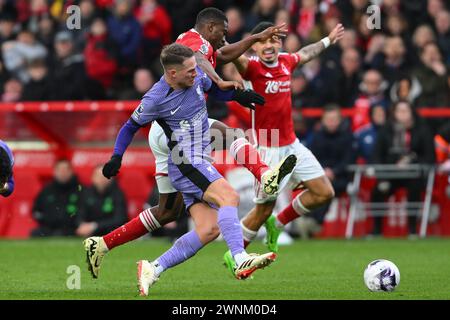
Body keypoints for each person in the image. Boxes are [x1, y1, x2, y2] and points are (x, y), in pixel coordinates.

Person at [84, 7, 294, 274]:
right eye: (223, 32)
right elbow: (202, 63)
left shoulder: (203, 51)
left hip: (177, 129)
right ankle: (262, 181)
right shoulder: (194, 45)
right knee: (230, 137)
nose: (224, 38)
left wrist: (235, 88)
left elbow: (220, 57)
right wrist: (117, 156)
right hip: (175, 131)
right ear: (210, 28)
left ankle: (103, 245)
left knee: (168, 212)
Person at [221, 21, 344, 271]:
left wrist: (328, 40)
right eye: (264, 41)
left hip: (292, 144)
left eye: (274, 40)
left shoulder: (287, 61)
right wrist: (221, 40)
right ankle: (235, 256)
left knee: (324, 193)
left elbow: (307, 53)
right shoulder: (250, 67)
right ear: (255, 46)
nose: (269, 46)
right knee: (261, 210)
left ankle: (278, 224)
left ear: (280, 44)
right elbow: (230, 55)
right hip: (268, 149)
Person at [370, 100, 436, 236]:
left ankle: (412, 229)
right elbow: (377, 156)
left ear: (412, 112)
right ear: (394, 113)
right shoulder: (385, 131)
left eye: (405, 110)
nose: (402, 114)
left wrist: (412, 161)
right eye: (399, 111)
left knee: (415, 190)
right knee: (377, 191)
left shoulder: (423, 130)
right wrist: (384, 173)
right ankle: (377, 230)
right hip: (390, 175)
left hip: (414, 175)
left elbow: (430, 157)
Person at [31, 159, 82, 237]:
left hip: (73, 230)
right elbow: (36, 211)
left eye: (65, 170)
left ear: (71, 172)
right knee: (35, 233)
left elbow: (85, 211)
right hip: (48, 229)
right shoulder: (46, 191)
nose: (63, 173)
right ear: (54, 172)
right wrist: (47, 220)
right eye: (60, 170)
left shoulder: (80, 190)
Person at [75, 165, 128, 238]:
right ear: (93, 178)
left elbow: (120, 219)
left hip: (112, 235)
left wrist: (95, 226)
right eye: (99, 176)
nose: (102, 179)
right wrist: (81, 225)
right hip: (89, 235)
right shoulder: (86, 193)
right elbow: (79, 214)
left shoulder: (118, 194)